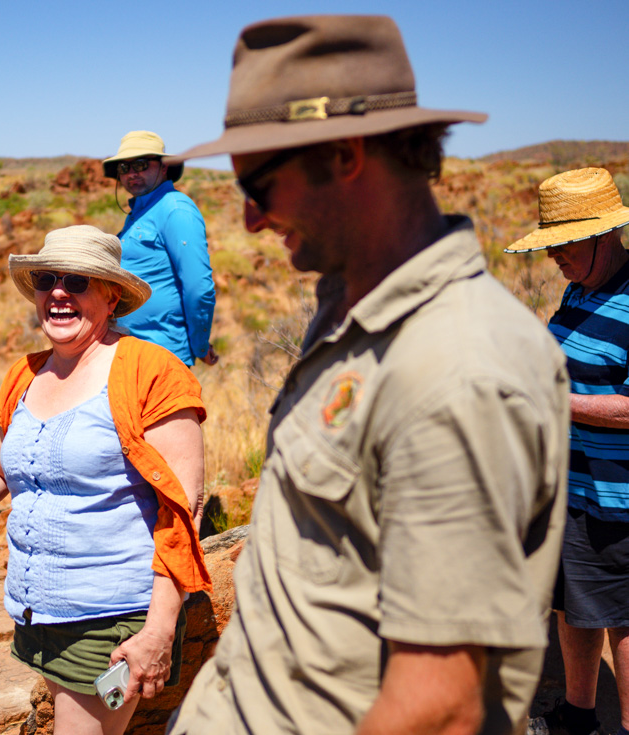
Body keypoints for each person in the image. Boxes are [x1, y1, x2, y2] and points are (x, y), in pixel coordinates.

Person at [166, 15, 570, 735]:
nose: (252, 220)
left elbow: (438, 707)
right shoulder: (355, 308)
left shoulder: (459, 367)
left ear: (346, 153)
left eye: (260, 184)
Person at [0, 225, 210, 735]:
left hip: (113, 616)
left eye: (77, 281)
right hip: (40, 613)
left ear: (111, 295)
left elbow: (182, 512)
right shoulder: (26, 374)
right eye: (46, 279)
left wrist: (159, 630)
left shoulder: (150, 373)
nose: (58, 291)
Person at [505, 168, 629, 735]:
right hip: (570, 484)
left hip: (618, 493)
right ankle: (579, 717)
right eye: (549, 244)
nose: (554, 255)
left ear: (604, 237)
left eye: (564, 244)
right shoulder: (580, 289)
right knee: (574, 603)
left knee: (624, 620)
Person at [101, 131, 218, 367]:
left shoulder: (175, 209)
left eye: (141, 164)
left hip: (161, 355)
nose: (132, 173)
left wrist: (200, 345)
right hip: (129, 352)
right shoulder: (140, 213)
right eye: (124, 167)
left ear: (164, 167)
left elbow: (198, 288)